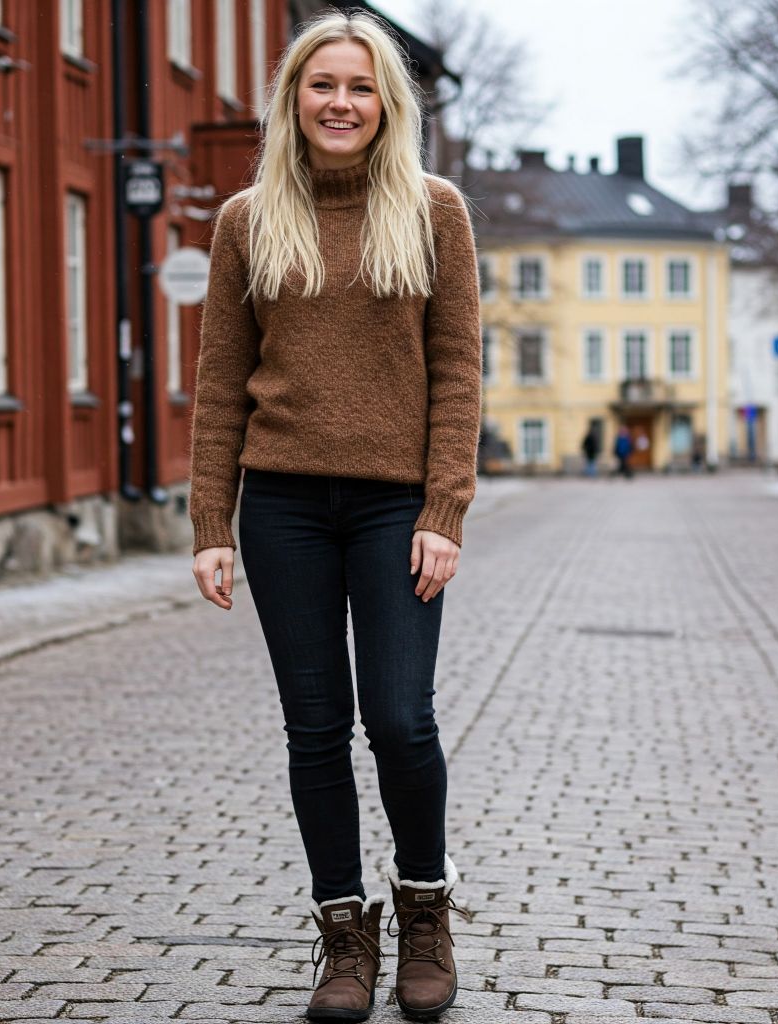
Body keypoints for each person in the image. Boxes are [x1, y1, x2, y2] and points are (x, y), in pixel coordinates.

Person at [188, 10, 481, 1022]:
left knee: (400, 718)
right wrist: (210, 524)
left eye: (360, 87)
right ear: (294, 100)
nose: (341, 102)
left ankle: (425, 907)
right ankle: (344, 932)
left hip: (397, 506)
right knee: (315, 728)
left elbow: (458, 371)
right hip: (281, 507)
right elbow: (220, 382)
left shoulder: (433, 210)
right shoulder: (247, 219)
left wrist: (444, 507)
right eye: (322, 85)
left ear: (386, 103)